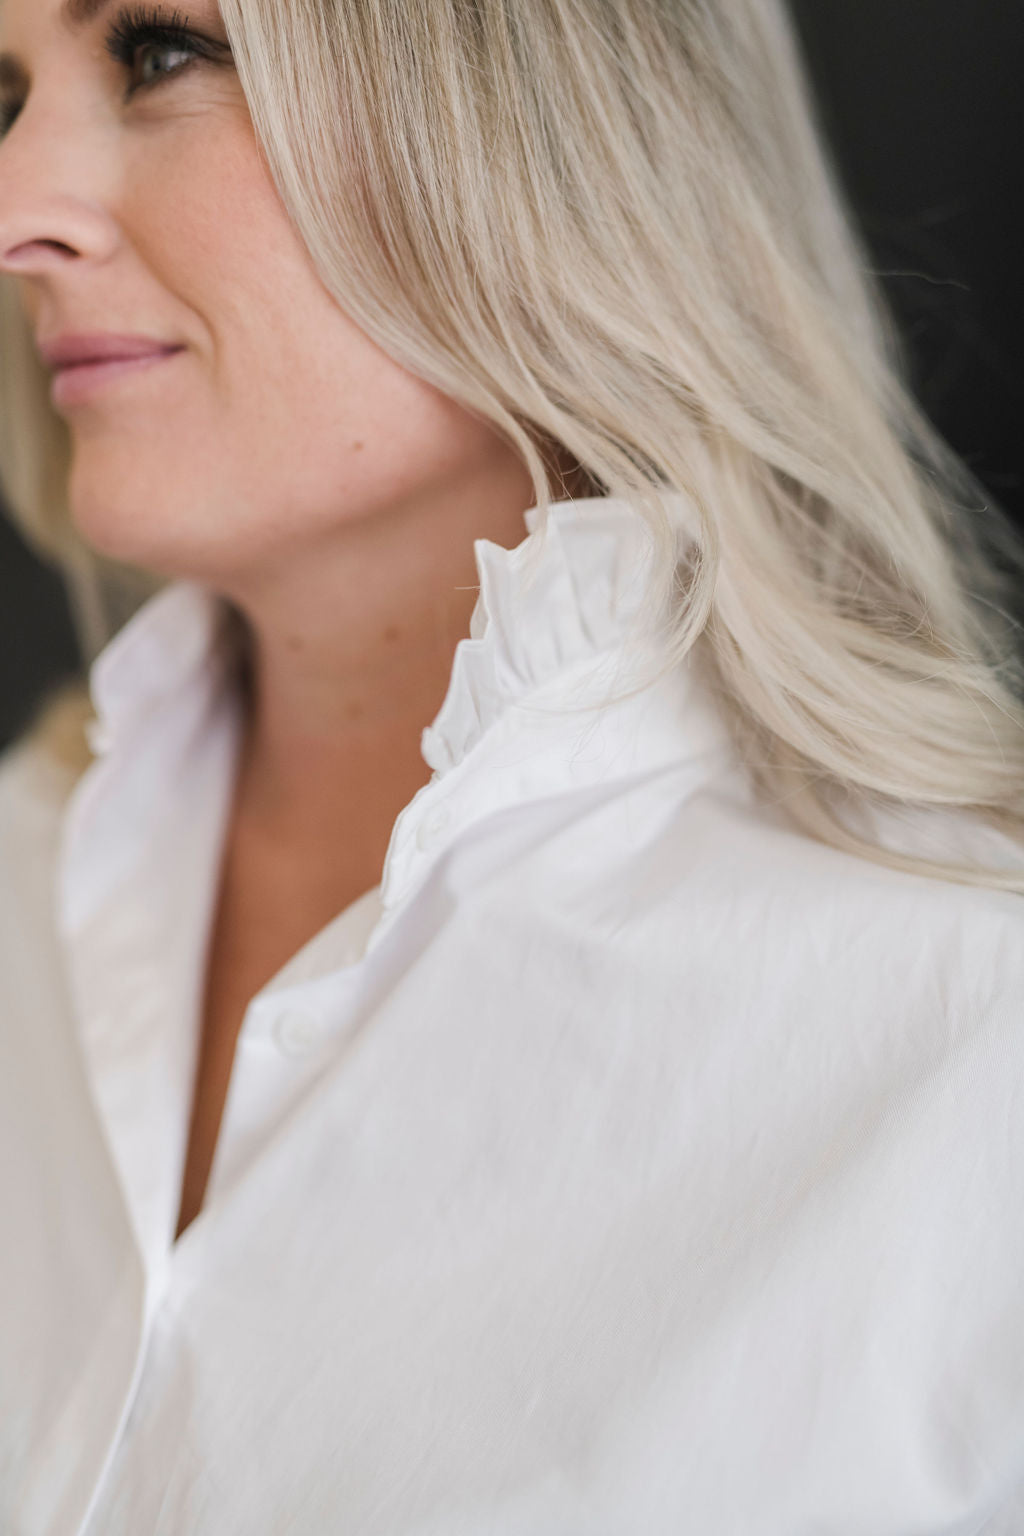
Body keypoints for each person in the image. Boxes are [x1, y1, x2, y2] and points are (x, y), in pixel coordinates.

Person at [0, 0, 1023, 1530]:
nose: (18, 207)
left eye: (162, 52)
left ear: (539, 109)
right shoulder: (22, 876)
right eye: (4, 93)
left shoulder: (962, 1060)